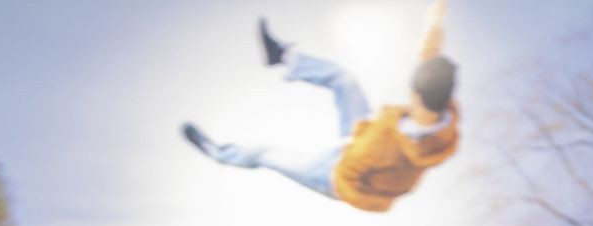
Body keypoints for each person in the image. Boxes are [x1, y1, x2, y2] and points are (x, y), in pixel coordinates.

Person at [182, 2, 459, 213]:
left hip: (334, 176)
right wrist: (438, 12)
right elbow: (430, 51)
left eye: (412, 95)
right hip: (358, 138)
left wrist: (342, 186)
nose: (408, 98)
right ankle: (283, 56)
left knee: (268, 154)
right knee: (344, 80)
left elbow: (382, 203)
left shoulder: (405, 159)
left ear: (420, 97)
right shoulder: (439, 104)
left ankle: (218, 152)